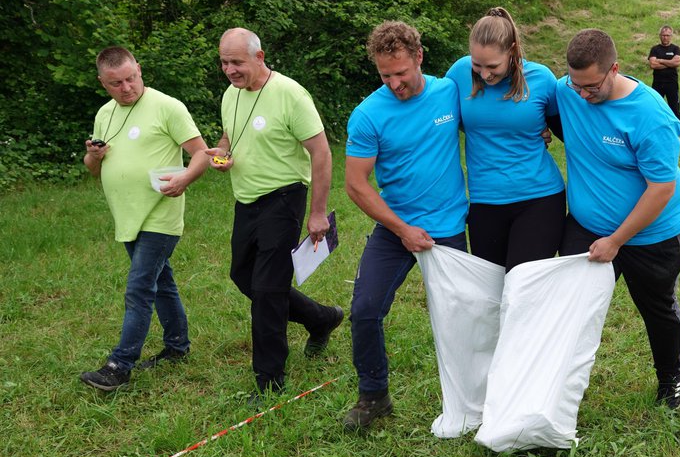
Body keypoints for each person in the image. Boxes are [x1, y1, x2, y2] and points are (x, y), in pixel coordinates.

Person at [343, 21, 469, 430]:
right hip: (396, 228)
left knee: (465, 314)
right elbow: (357, 185)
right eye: (385, 75)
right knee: (363, 310)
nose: (395, 83)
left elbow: (493, 119)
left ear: (419, 57)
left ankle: (476, 395)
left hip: (450, 226)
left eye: (401, 72)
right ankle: (373, 395)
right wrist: (401, 229)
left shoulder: (449, 91)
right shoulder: (367, 115)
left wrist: (536, 129)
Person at [555, 29, 680, 410]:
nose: (582, 94)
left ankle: (670, 380)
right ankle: (565, 385)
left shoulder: (650, 115)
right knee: (572, 308)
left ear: (614, 69)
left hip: (653, 234)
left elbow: (660, 189)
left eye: (591, 86)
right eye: (575, 84)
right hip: (586, 227)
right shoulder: (568, 91)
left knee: (657, 309)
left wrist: (616, 241)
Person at [206, 28, 343, 399]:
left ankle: (270, 380)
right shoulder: (230, 95)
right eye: (224, 62)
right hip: (246, 199)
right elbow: (228, 137)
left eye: (237, 62)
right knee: (242, 275)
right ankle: (322, 318)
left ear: (260, 57)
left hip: (284, 198)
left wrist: (318, 214)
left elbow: (321, 153)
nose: (230, 70)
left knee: (267, 290)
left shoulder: (290, 94)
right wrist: (222, 155)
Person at [79, 46, 211, 391]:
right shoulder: (104, 114)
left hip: (160, 216)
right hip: (127, 217)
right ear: (102, 83)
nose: (126, 87)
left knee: (139, 289)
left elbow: (201, 154)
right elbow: (92, 169)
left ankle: (119, 366)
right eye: (115, 83)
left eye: (131, 78)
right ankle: (177, 345)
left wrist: (184, 179)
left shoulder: (168, 107)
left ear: (139, 69)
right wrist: (95, 156)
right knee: (161, 283)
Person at [445, 7, 564, 271]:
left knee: (522, 287)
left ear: (512, 50)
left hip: (539, 198)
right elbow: (445, 121)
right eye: (477, 65)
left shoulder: (542, 79)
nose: (484, 74)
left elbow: (568, 133)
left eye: (492, 66)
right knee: (492, 291)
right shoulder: (458, 73)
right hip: (484, 201)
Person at [647, 25, 680, 120]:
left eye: (667, 35)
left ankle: (677, 133)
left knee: (674, 109)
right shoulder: (655, 49)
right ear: (660, 36)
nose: (665, 37)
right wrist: (670, 63)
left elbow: (677, 62)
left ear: (671, 36)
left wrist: (660, 60)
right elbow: (653, 64)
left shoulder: (675, 49)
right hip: (657, 83)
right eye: (663, 35)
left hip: (672, 83)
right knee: (655, 108)